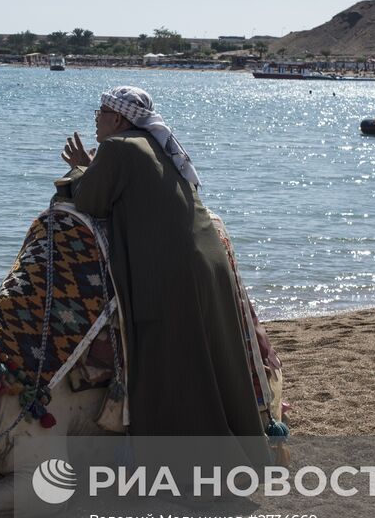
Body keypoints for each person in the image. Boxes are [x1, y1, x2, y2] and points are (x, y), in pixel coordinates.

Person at [58, 86, 265, 438]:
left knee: (172, 367)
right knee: (214, 363)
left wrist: (80, 171)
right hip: (207, 262)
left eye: (101, 113)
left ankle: (189, 467)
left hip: (172, 270)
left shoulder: (118, 146)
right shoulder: (156, 144)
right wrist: (92, 168)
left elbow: (91, 200)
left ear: (119, 118)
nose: (96, 120)